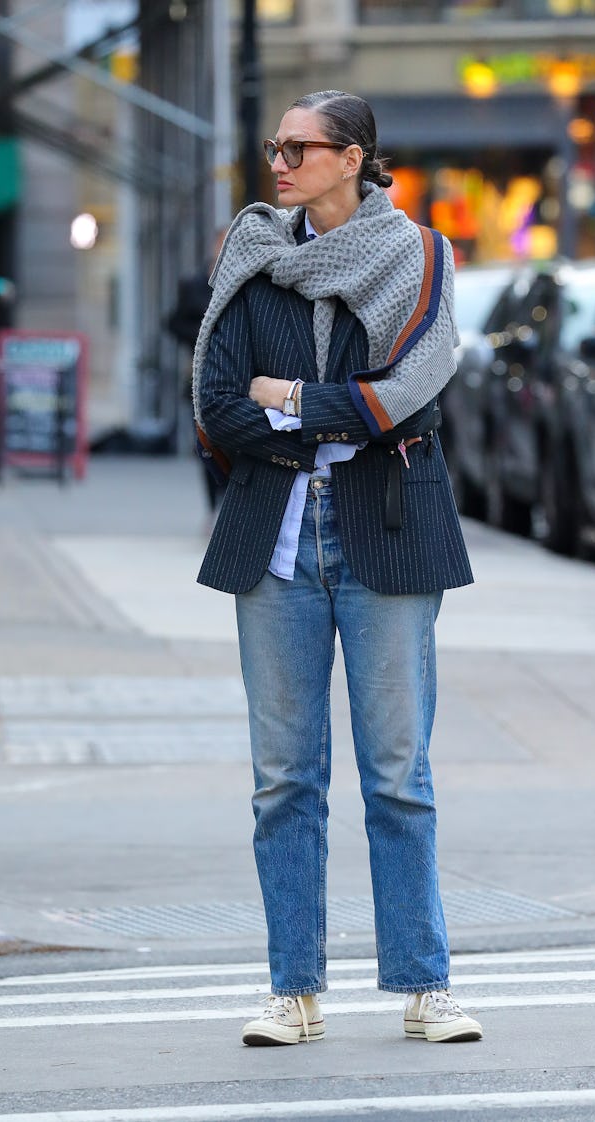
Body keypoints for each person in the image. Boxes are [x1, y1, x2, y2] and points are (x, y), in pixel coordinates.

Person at [193, 90, 482, 1048]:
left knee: (398, 772)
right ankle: (293, 990)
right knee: (284, 778)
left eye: (300, 147)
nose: (280, 161)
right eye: (276, 146)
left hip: (387, 531)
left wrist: (297, 403)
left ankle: (424, 984)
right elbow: (218, 402)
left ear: (353, 157)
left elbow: (410, 395)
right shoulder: (252, 252)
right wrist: (330, 409)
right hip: (274, 539)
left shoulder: (420, 257)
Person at [167, 230, 226, 515]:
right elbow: (173, 322)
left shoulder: (249, 279)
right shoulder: (194, 284)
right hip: (201, 371)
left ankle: (227, 504)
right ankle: (211, 506)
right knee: (205, 442)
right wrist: (203, 336)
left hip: (235, 375)